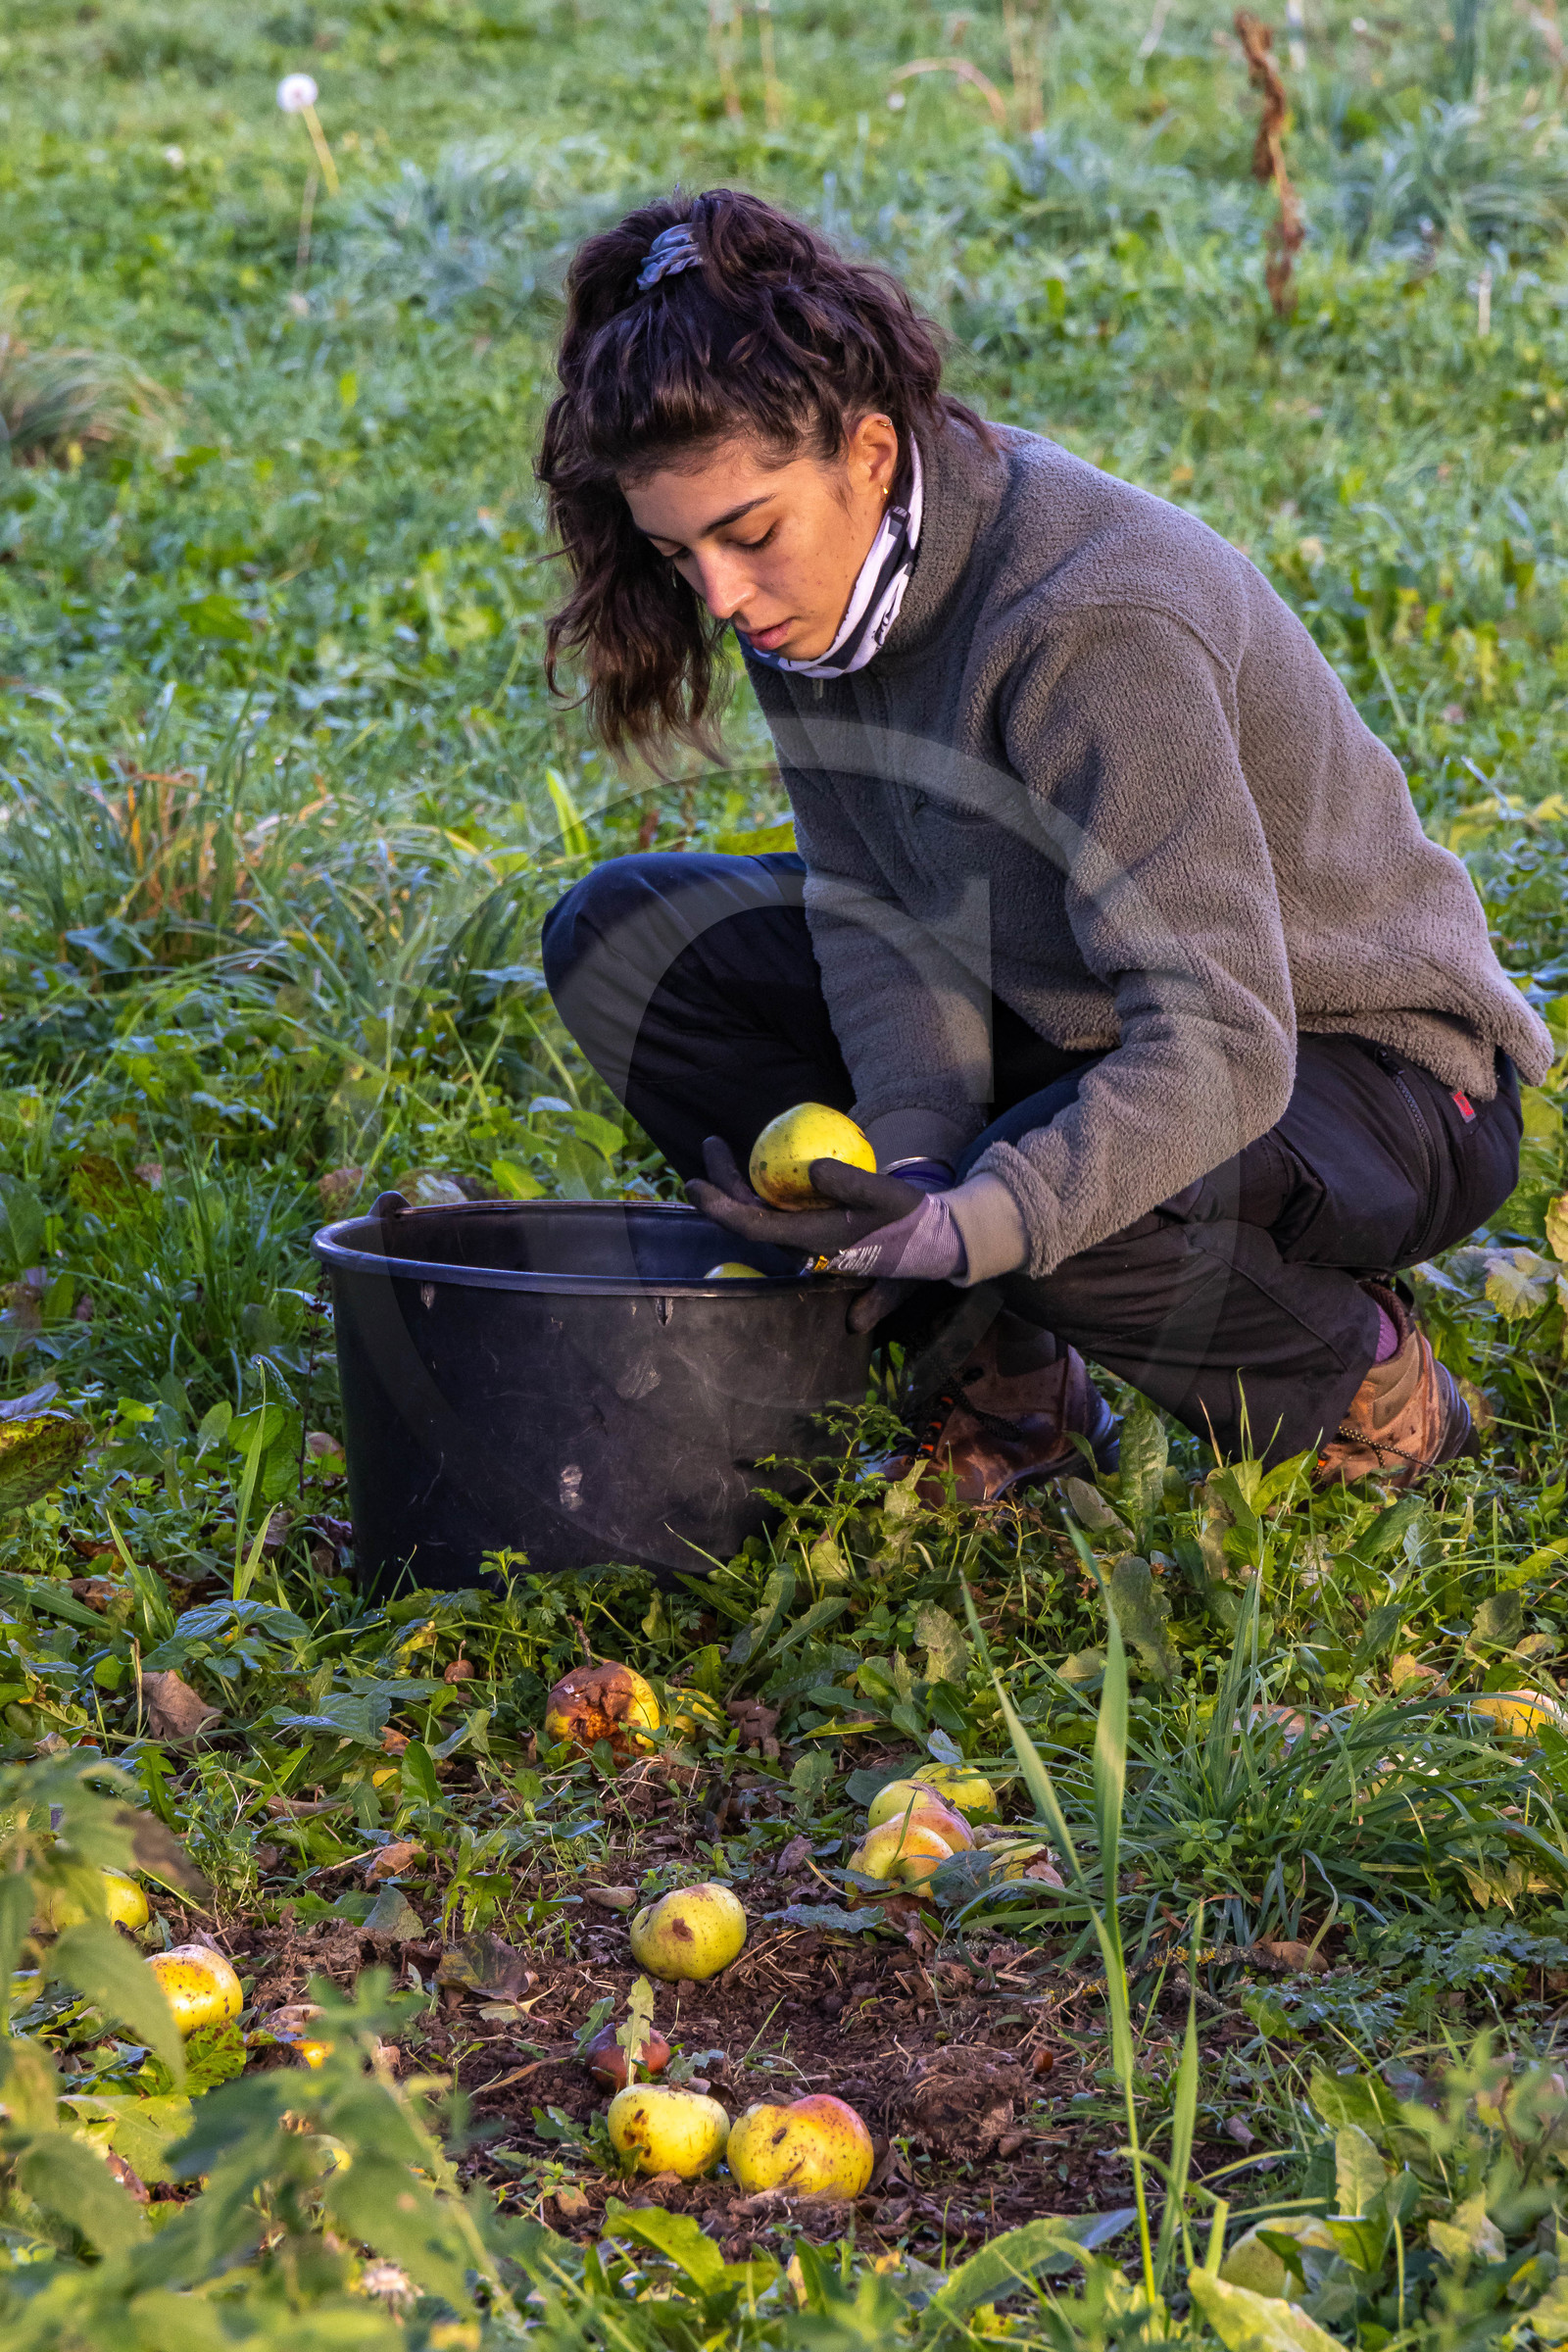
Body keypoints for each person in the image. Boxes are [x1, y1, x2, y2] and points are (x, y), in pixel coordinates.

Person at [535, 187, 1549, 1500]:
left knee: (1055, 1210)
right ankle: (1004, 1390)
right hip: (1079, 1005)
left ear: (872, 453)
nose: (721, 596)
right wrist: (908, 1160)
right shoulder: (827, 594)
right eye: (681, 556)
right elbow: (877, 902)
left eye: (748, 534)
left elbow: (1224, 1042)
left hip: (1359, 1066)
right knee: (632, 942)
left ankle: (1363, 1377)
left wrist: (982, 1213)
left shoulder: (1091, 622)